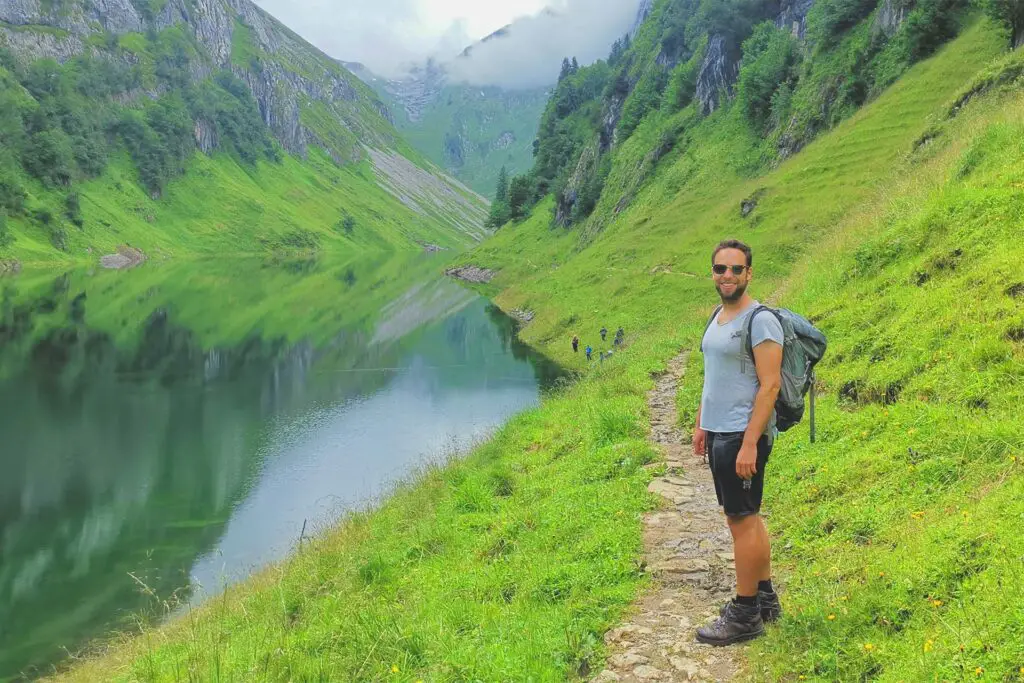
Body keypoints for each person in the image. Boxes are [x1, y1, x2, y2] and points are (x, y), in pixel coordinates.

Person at [692, 239, 784, 647]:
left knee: (741, 521)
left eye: (735, 269)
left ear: (749, 273)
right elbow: (713, 376)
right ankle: (765, 598)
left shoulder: (760, 321)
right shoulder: (718, 314)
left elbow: (770, 386)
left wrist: (749, 443)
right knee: (748, 516)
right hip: (719, 432)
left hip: (740, 435)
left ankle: (745, 613)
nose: (726, 275)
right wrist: (701, 424)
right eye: (719, 269)